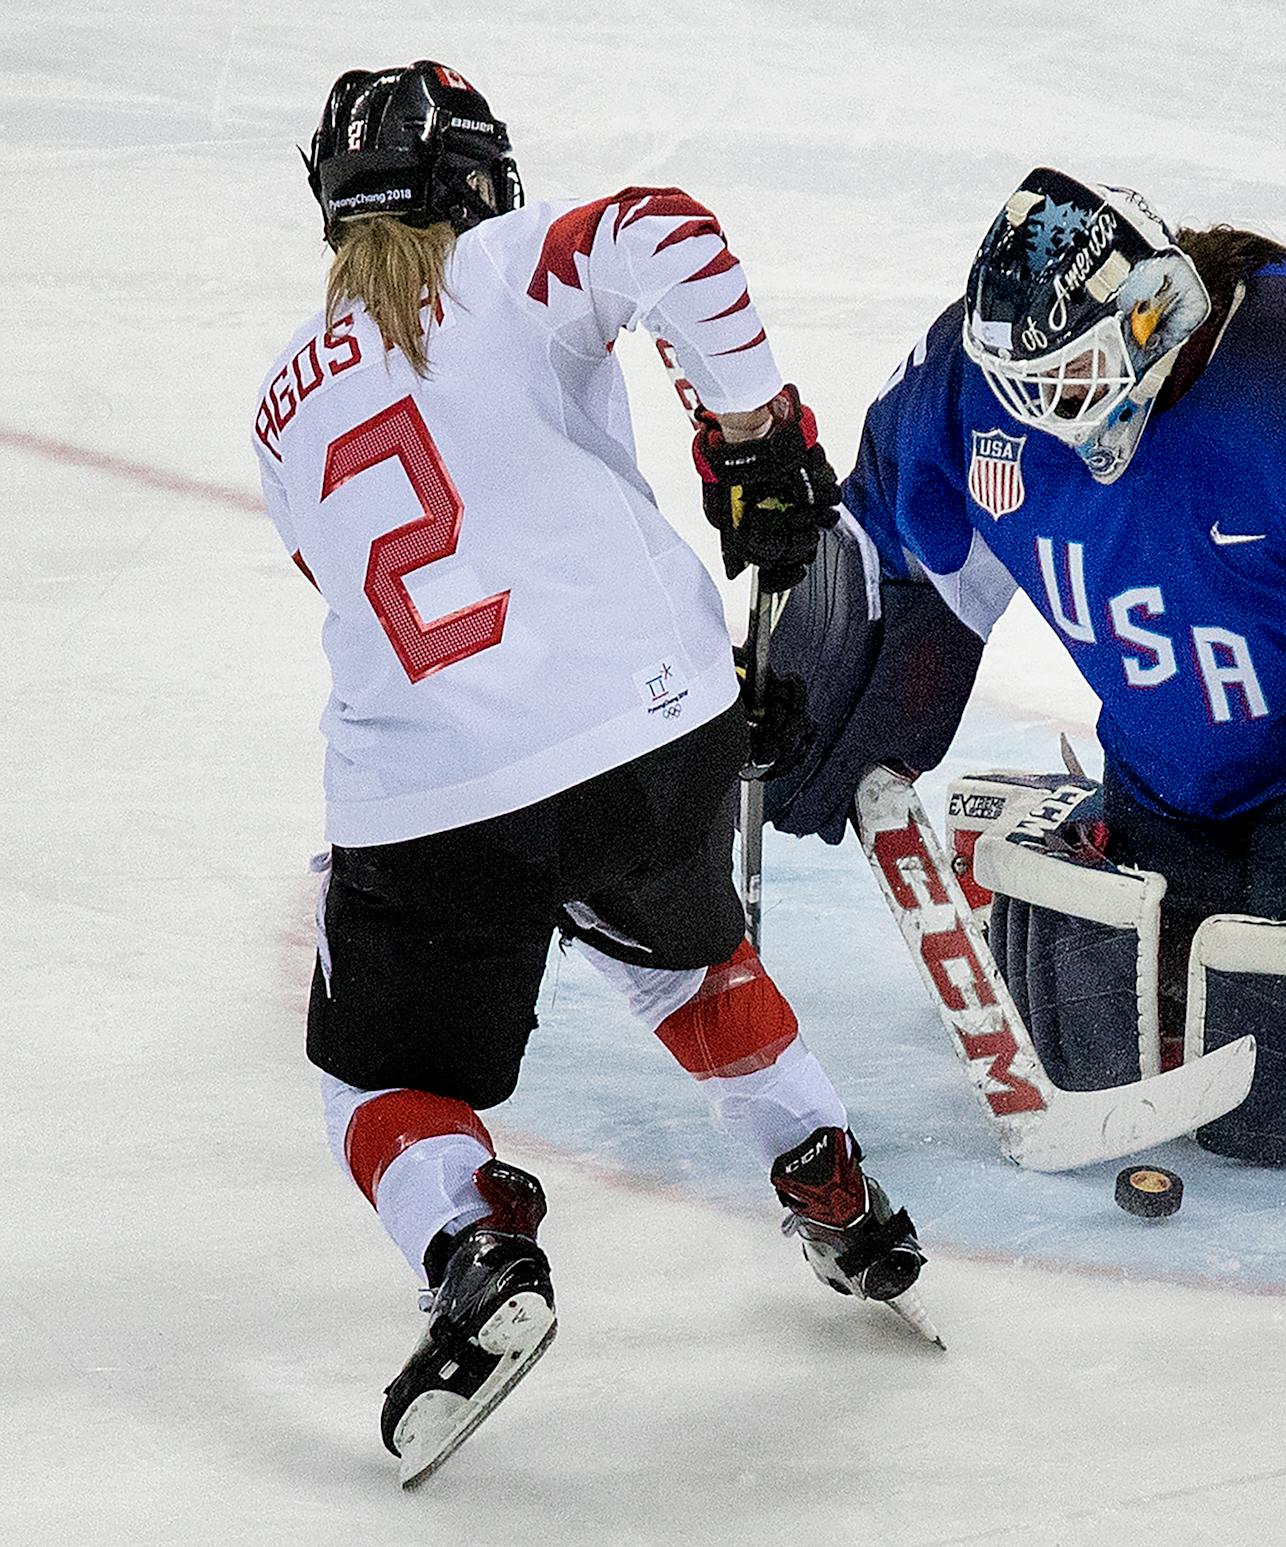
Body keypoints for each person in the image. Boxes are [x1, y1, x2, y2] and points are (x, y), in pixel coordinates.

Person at [251, 61, 924, 1485]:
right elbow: (672, 232)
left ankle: (479, 1249)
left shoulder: (277, 407)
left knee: (378, 1079)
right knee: (685, 963)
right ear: (479, 176)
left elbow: (354, 582)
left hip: (430, 797)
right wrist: (758, 439)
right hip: (652, 739)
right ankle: (831, 1180)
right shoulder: (508, 261)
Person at [763, 166, 1286, 1007]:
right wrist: (816, 666)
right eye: (1023, 387)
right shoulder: (971, 390)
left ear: (1144, 319)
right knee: (1139, 980)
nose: (1041, 411)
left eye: (1068, 379)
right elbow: (885, 536)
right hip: (1159, 791)